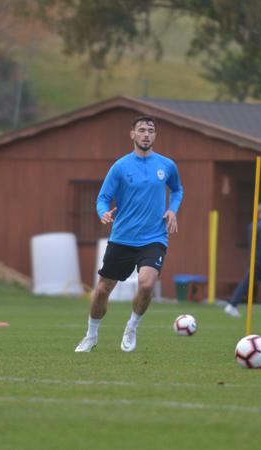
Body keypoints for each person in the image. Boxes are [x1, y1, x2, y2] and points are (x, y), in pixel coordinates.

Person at [74, 116, 183, 352]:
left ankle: (132, 327)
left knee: (146, 285)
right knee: (103, 289)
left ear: (155, 135)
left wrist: (172, 210)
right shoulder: (120, 166)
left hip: (154, 237)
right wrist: (103, 213)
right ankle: (91, 335)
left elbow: (177, 189)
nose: (146, 134)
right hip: (122, 238)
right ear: (132, 134)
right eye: (141, 130)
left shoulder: (167, 165)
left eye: (151, 130)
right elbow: (103, 198)